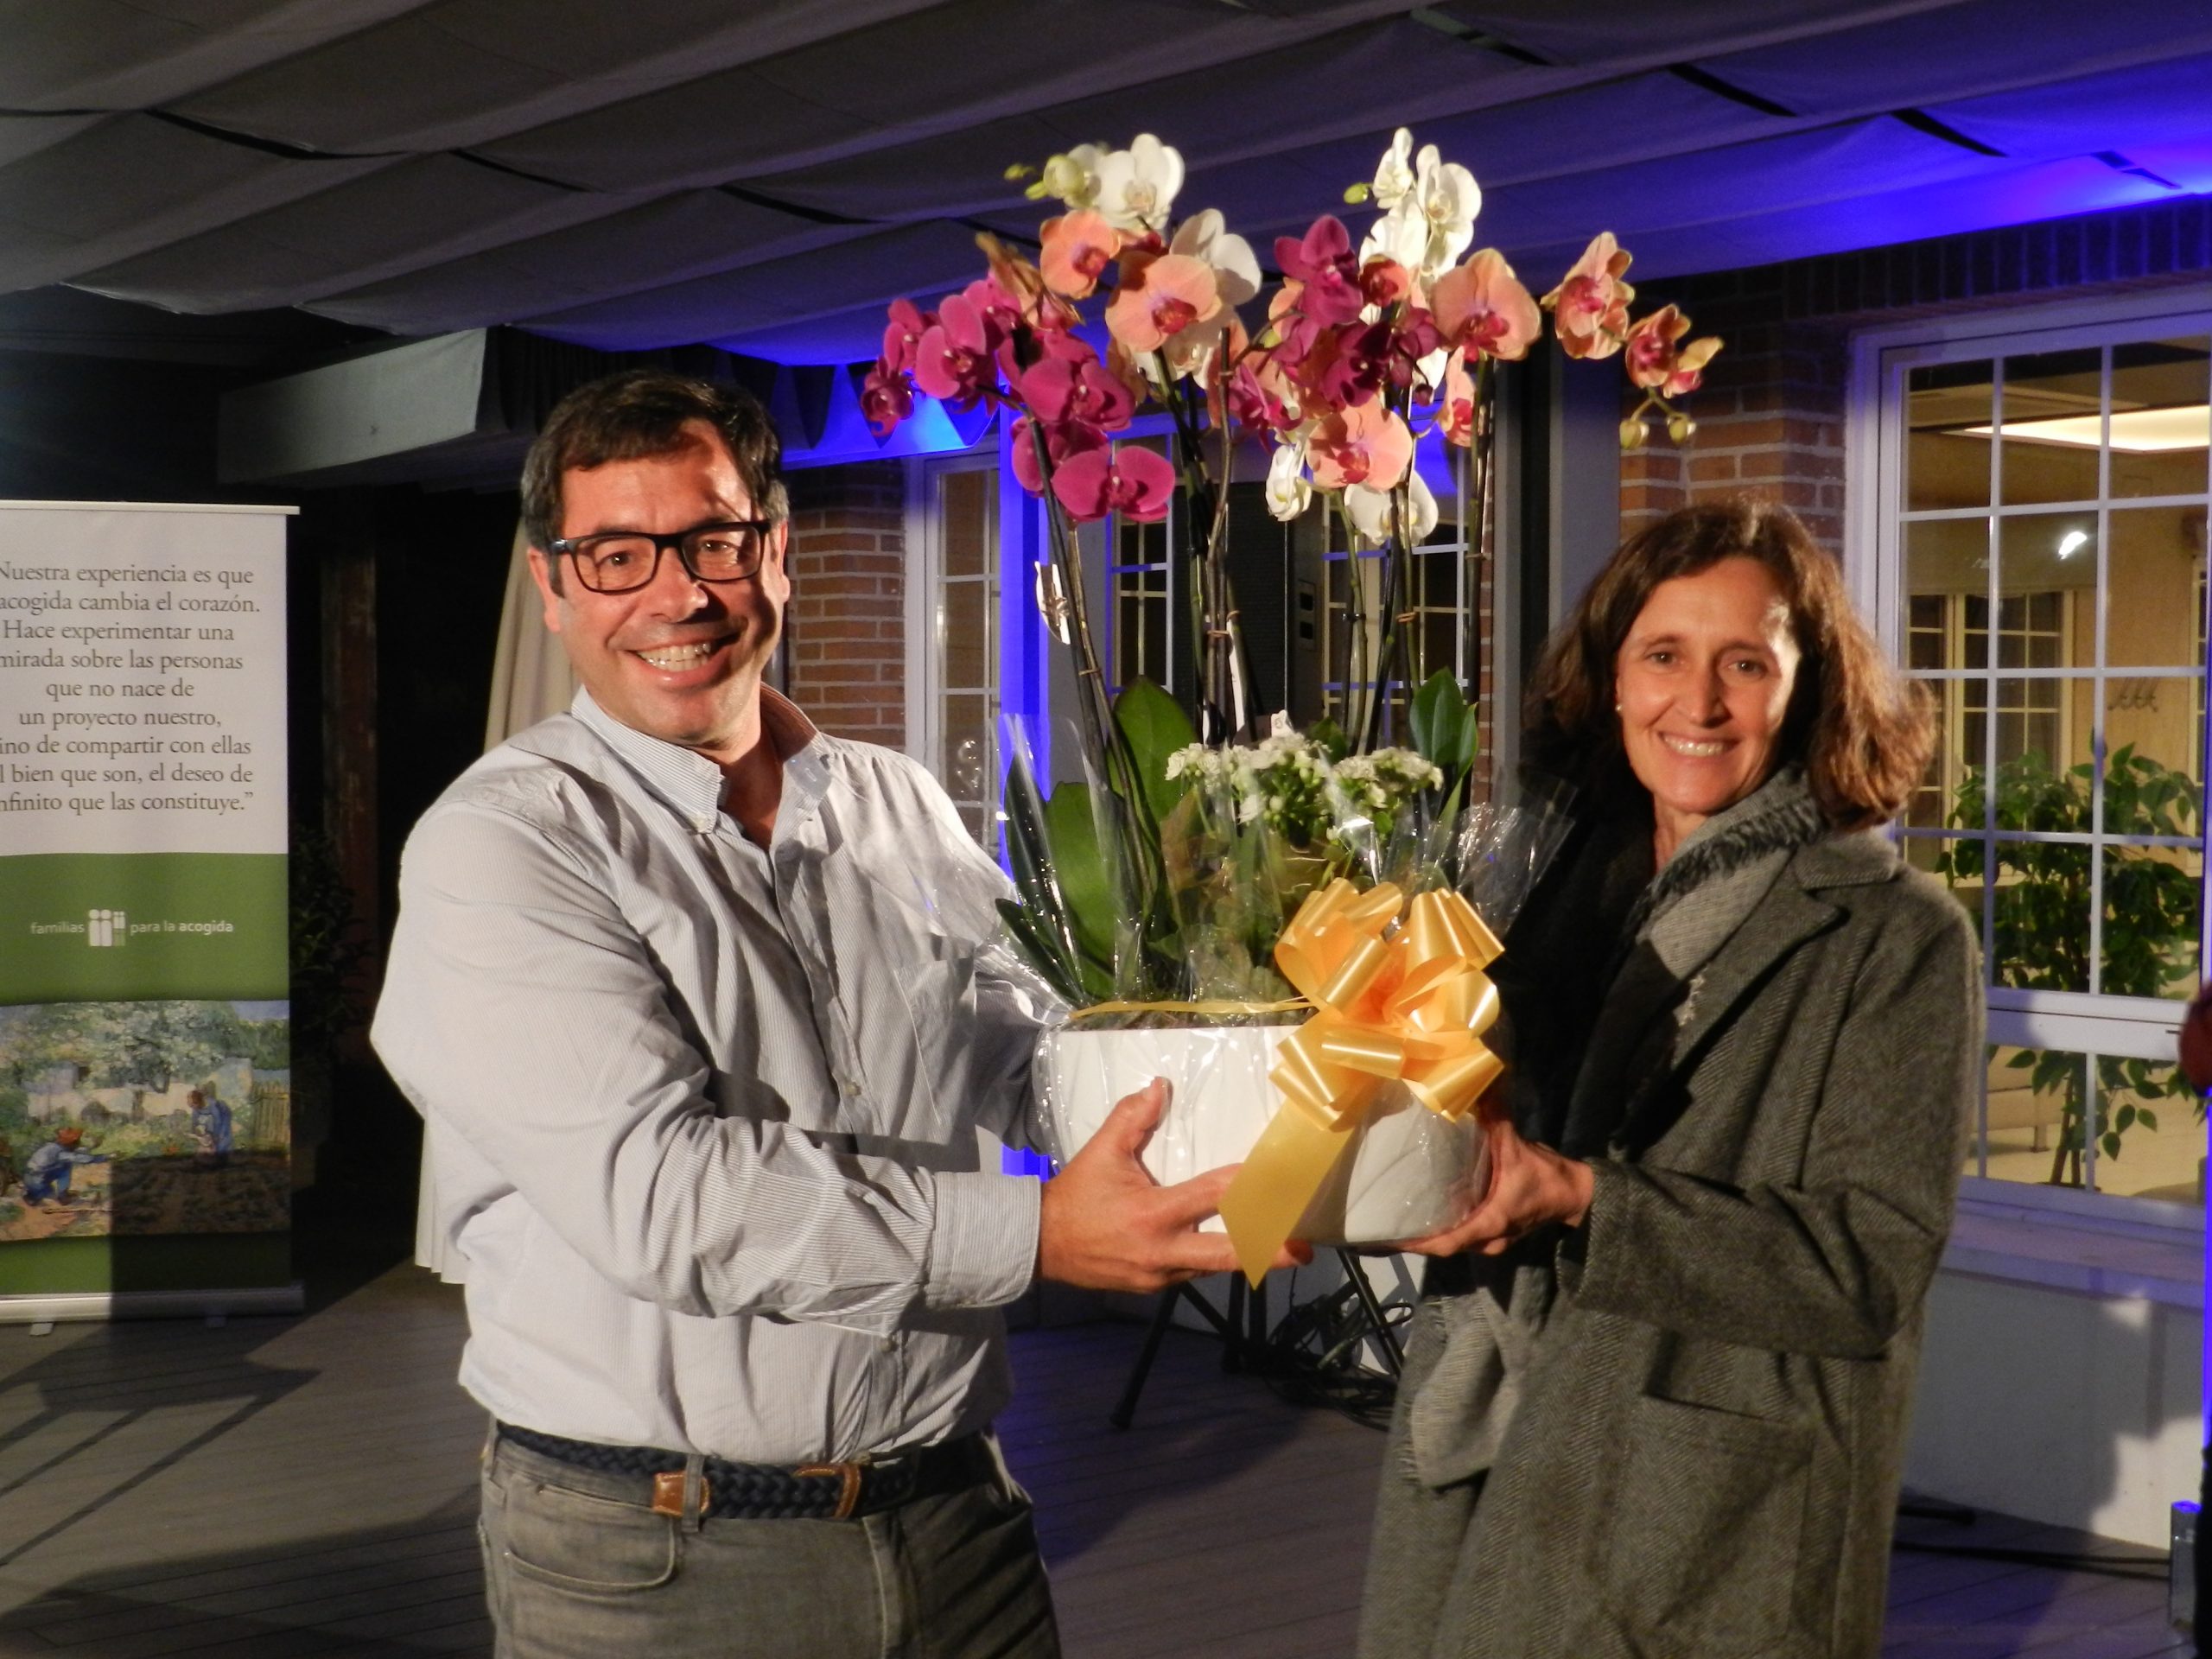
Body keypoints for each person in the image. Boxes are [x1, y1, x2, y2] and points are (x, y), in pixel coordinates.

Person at [372, 369, 1282, 1659]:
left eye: (713, 542)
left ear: (775, 550)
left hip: (958, 1518)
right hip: (658, 1557)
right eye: (617, 556)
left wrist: (1261, 1080)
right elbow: (661, 1196)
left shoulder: (891, 801)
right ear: (554, 587)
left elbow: (1018, 1055)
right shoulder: (508, 843)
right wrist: (1040, 1232)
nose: (676, 596)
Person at [1357, 497, 1980, 1659]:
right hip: (1489, 1434)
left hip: (1705, 1506)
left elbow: (1866, 1267)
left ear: (1807, 688)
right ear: (1610, 678)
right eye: (1663, 656)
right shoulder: (1539, 896)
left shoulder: (1895, 935)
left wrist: (1581, 1199)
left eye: (1744, 663)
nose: (1698, 704)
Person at [22, 1127, 106, 1207]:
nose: (79, 1143)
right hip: (39, 1183)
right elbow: (78, 1157)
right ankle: (63, 1196)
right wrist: (103, 1158)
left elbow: (76, 1151)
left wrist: (92, 1147)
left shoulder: (52, 1147)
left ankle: (33, 1196)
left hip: (29, 1180)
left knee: (59, 1167)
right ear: (70, 1143)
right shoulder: (61, 1153)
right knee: (66, 1167)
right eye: (76, 1141)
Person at [188, 1088, 232, 1168]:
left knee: (222, 1139)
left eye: (194, 1105)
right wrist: (196, 1132)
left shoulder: (213, 1106)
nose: (193, 1108)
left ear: (199, 1102)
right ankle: (207, 1161)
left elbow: (218, 1122)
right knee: (206, 1141)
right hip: (210, 1123)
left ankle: (221, 1161)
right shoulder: (196, 1109)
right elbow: (195, 1122)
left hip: (223, 1118)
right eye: (191, 1106)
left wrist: (215, 1137)